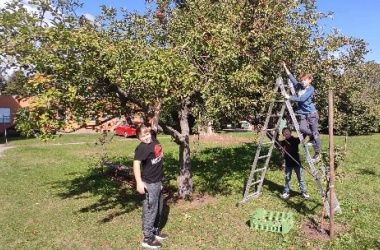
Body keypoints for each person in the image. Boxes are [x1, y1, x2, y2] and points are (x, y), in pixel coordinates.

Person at [133, 100, 168, 249]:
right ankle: (147, 238)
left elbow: (155, 120)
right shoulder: (141, 148)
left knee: (159, 207)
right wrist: (139, 182)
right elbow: (136, 164)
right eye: (143, 136)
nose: (147, 137)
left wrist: (157, 107)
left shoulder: (153, 137)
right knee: (150, 209)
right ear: (139, 138)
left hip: (158, 180)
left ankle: (155, 230)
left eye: (147, 134)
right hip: (149, 183)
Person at [281, 62, 321, 162]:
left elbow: (302, 99)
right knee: (302, 128)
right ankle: (312, 135)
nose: (303, 82)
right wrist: (285, 67)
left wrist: (289, 97)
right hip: (303, 114)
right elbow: (292, 78)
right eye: (302, 80)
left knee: (315, 134)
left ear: (309, 80)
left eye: (305, 80)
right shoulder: (299, 86)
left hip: (312, 114)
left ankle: (318, 153)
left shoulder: (311, 89)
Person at [279, 127, 310, 200]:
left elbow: (303, 136)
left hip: (296, 162)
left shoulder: (295, 140)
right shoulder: (283, 142)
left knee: (300, 178)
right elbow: (277, 142)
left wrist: (304, 130)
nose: (286, 133)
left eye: (287, 131)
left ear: (290, 132)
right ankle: (286, 191)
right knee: (287, 177)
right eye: (284, 132)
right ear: (283, 134)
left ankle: (304, 192)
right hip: (288, 162)